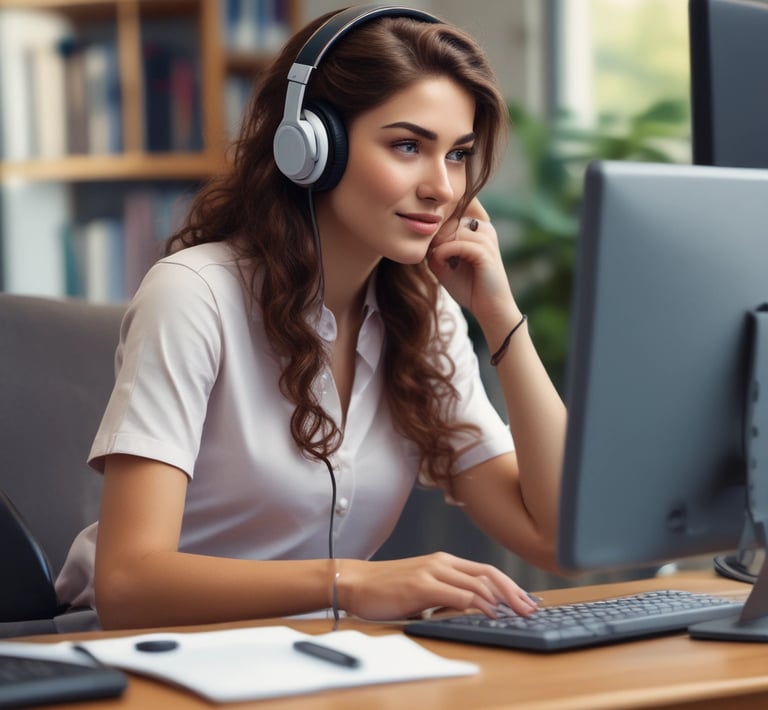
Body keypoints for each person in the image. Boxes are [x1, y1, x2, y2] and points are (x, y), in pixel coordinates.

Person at [55, 5, 567, 630]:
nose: (442, 186)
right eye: (408, 146)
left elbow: (555, 536)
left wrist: (499, 314)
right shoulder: (195, 295)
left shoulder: (423, 311)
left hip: (307, 656)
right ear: (311, 147)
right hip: (143, 654)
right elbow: (128, 582)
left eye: (457, 154)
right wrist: (349, 583)